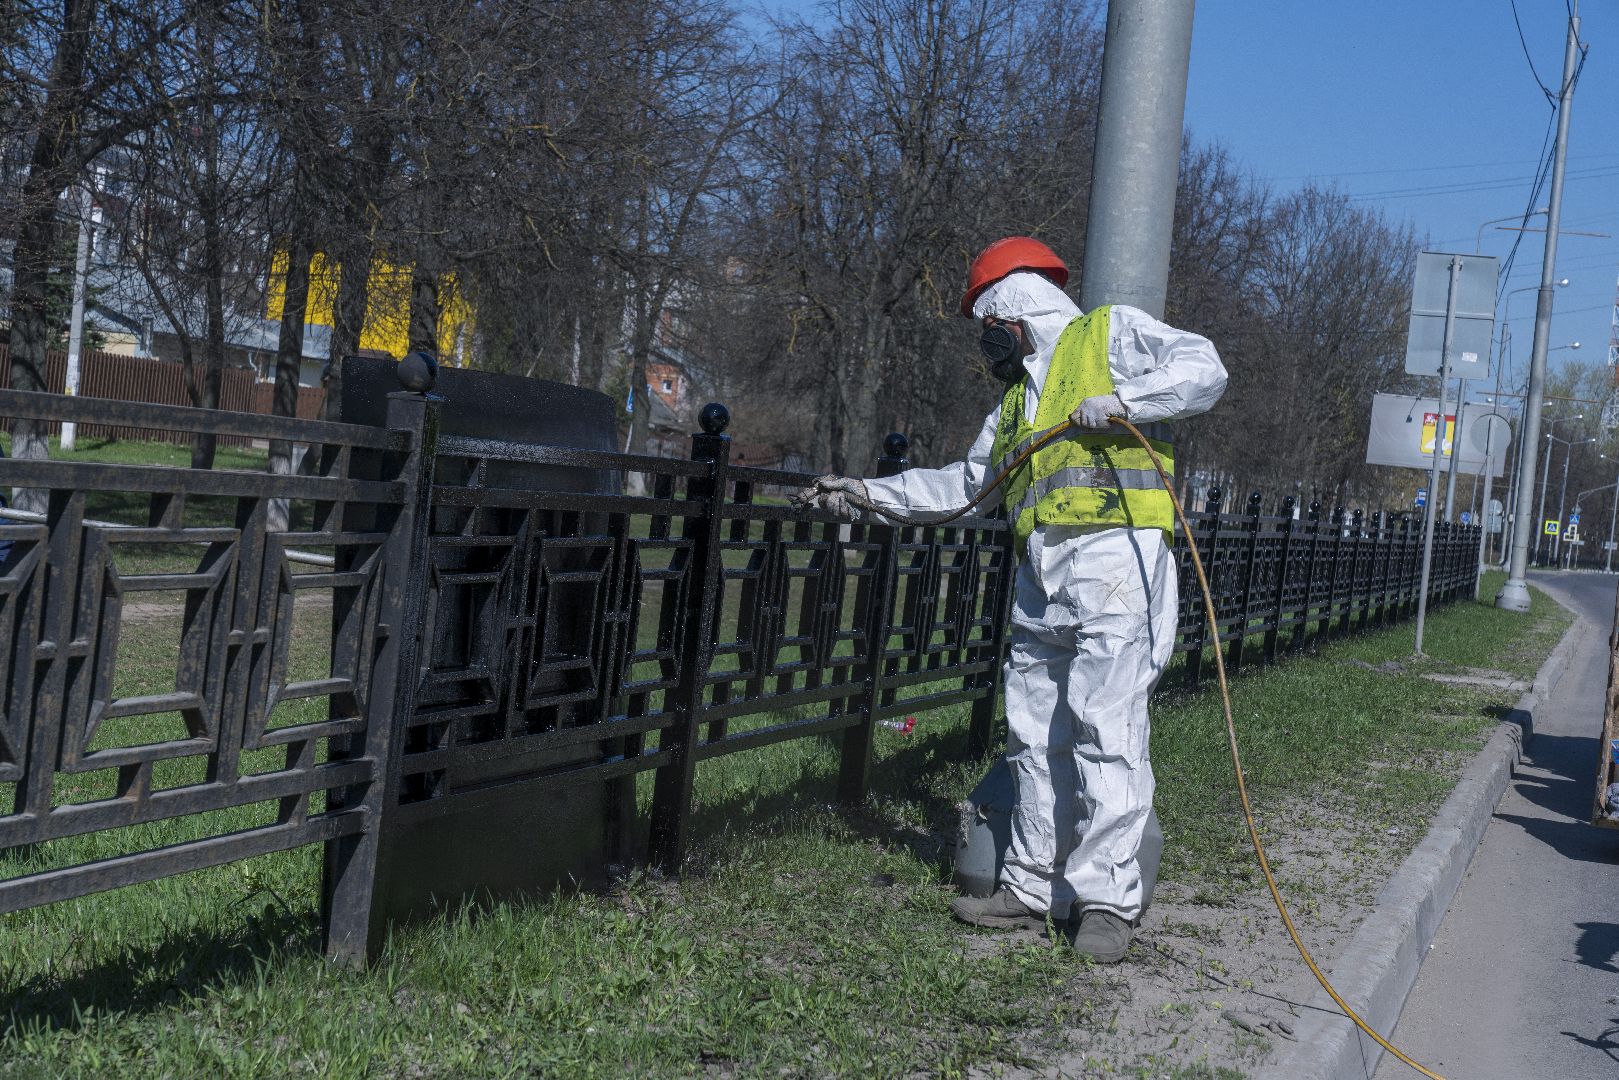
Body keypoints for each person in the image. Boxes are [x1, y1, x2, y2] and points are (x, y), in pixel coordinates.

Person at [799, 237, 1227, 962]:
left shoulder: (1109, 334)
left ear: (1012, 314)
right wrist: (865, 495)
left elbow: (1203, 369)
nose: (984, 345)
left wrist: (1125, 401)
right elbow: (963, 489)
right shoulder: (1015, 405)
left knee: (1106, 733)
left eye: (985, 328)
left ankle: (1105, 905)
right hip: (1043, 574)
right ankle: (1031, 886)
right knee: (1033, 735)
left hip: (1116, 563)